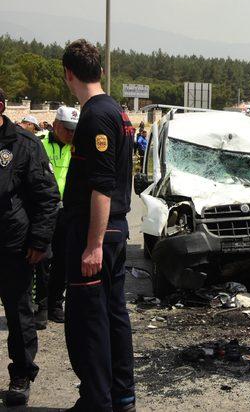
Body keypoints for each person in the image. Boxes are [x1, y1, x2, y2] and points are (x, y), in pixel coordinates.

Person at [61, 39, 136, 411]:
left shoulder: (95, 115)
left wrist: (92, 245)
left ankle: (97, 400)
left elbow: (102, 186)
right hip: (113, 230)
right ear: (101, 71)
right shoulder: (116, 111)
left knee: (87, 323)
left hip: (98, 233)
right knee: (111, 315)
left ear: (68, 74)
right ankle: (120, 396)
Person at [0, 87, 59, 406]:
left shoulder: (24, 145)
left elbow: (48, 198)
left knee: (19, 313)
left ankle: (21, 373)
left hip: (13, 246)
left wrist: (39, 241)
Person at [33, 106, 78, 330]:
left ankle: (55, 304)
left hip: (67, 212)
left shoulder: (77, 146)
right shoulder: (38, 142)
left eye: (74, 131)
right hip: (43, 211)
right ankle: (40, 305)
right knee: (42, 259)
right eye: (68, 130)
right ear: (57, 125)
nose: (71, 135)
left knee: (63, 259)